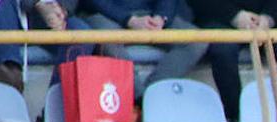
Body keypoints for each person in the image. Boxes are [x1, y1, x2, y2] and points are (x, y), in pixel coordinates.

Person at [186, 0, 277, 122]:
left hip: (265, 20)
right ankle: (236, 117)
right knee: (223, 51)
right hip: (218, 17)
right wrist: (234, 16)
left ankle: (269, 109)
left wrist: (268, 18)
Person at [80, 0, 208, 98]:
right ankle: (137, 98)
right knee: (107, 41)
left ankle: (153, 95)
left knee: (197, 41)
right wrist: (129, 20)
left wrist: (161, 18)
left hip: (150, 16)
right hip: (107, 15)